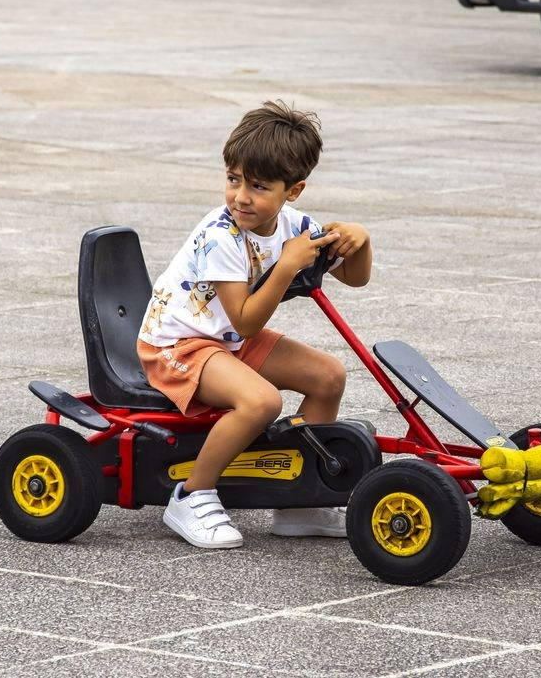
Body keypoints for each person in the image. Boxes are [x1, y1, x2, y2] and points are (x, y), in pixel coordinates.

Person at [135, 100, 372, 549]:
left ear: (293, 190)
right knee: (261, 401)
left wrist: (360, 241)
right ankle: (191, 494)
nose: (241, 197)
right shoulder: (221, 235)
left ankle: (300, 501)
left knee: (328, 377)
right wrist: (286, 266)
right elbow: (245, 322)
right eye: (233, 179)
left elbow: (354, 278)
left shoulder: (295, 226)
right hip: (178, 345)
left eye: (258, 186)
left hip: (225, 341)